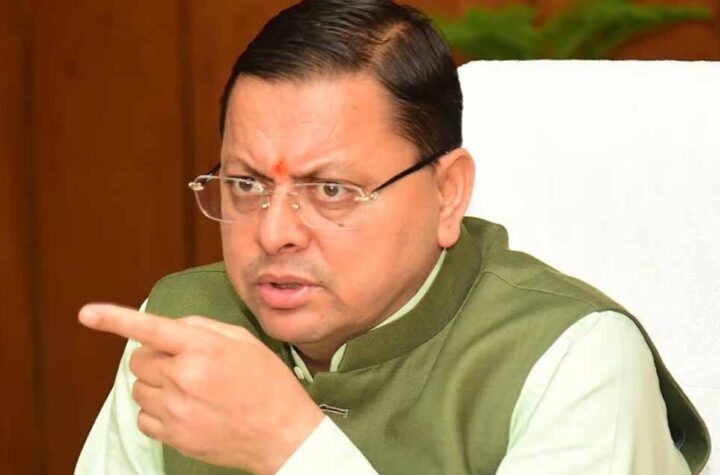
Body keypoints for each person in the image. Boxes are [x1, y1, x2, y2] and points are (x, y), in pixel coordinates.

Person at [75, 1, 711, 474]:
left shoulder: (571, 359)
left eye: (331, 189)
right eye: (246, 184)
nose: (273, 233)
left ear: (447, 193)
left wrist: (290, 447)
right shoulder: (184, 326)